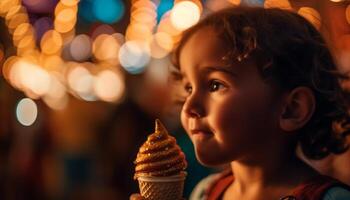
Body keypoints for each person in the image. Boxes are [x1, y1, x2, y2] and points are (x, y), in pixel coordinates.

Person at [131, 6, 350, 200]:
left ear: (292, 109)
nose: (189, 107)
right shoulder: (205, 192)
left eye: (215, 85)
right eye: (188, 88)